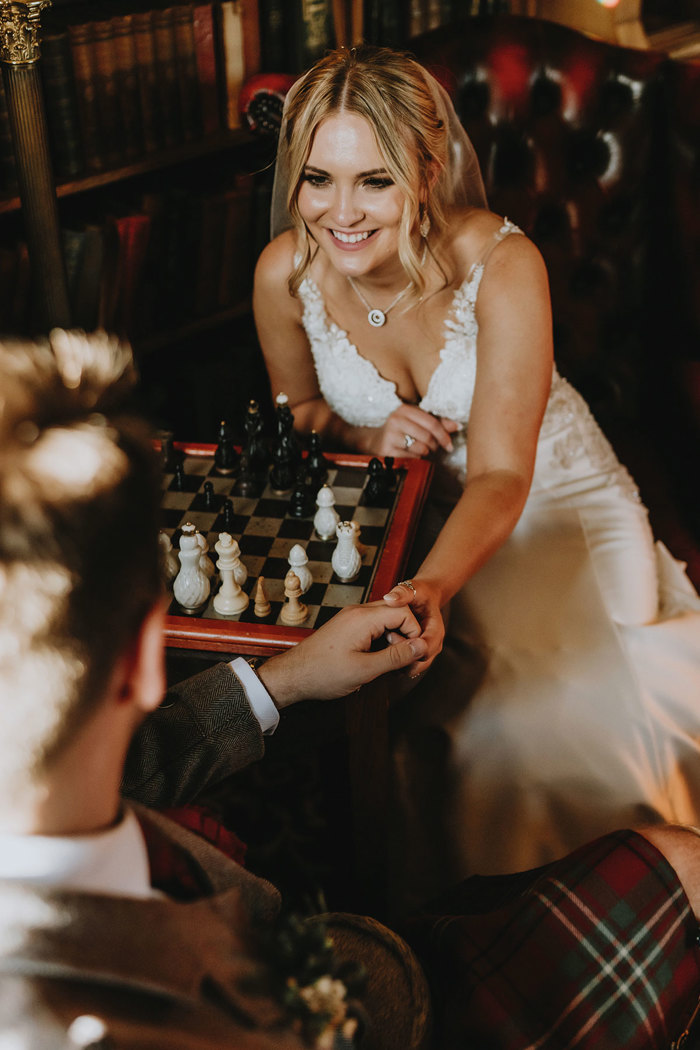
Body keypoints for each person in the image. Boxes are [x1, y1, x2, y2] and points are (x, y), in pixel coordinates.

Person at [2, 330, 700, 1050]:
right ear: (144, 663)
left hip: (322, 942)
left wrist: (290, 676)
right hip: (370, 1015)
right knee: (684, 864)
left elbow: (143, 760)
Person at [252, 43, 700, 890]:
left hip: (550, 495)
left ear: (427, 169)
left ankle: (635, 907)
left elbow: (501, 473)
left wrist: (432, 589)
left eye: (374, 181)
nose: (339, 213)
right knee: (475, 723)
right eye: (317, 179)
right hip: (411, 505)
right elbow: (299, 411)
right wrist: (366, 437)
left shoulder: (504, 264)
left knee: (569, 711)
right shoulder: (283, 274)